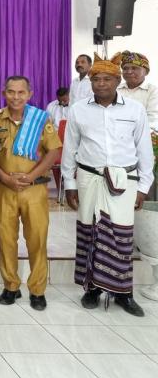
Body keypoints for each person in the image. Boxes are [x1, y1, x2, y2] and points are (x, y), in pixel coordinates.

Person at [62, 54, 154, 317]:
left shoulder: (134, 110)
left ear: (117, 80)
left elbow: (144, 151)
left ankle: (123, 293)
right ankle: (92, 289)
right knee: (90, 233)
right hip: (89, 178)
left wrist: (144, 186)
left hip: (125, 181)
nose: (101, 83)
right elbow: (70, 149)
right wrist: (69, 184)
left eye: (107, 79)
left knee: (121, 236)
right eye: (96, 79)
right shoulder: (79, 109)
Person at [0, 76, 61, 311]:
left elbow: (53, 150)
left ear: (30, 93)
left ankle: (37, 290)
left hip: (34, 188)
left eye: (21, 92)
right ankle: (11, 286)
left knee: (37, 239)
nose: (16, 97)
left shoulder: (40, 119)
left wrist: (31, 175)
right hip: (2, 187)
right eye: (11, 92)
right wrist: (5, 177)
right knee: (6, 239)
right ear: (3, 93)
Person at [117, 51, 158, 132]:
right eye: (125, 68)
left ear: (146, 71)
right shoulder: (115, 89)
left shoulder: (153, 91)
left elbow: (153, 120)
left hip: (144, 137)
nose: (129, 72)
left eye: (134, 68)